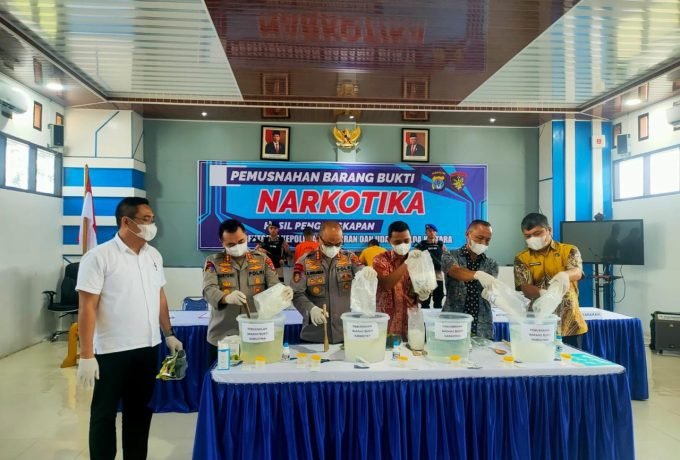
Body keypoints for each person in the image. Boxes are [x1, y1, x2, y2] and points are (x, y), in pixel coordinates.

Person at [76, 197, 183, 459]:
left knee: (140, 413)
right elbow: (87, 307)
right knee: (104, 414)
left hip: (147, 347)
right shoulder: (98, 257)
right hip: (112, 350)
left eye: (152, 219)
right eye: (146, 219)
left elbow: (159, 296)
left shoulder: (153, 255)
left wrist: (168, 334)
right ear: (126, 221)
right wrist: (86, 355)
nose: (152, 225)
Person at [203, 219, 291, 366]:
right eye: (231, 244)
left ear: (246, 236)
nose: (237, 247)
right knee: (220, 378)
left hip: (257, 334)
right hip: (223, 337)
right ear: (222, 243)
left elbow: (274, 286)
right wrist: (226, 298)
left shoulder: (262, 260)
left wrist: (284, 292)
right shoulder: (213, 262)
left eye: (241, 241)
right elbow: (208, 289)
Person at [514, 212, 588, 349]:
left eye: (537, 233)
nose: (533, 238)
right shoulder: (522, 258)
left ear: (549, 230)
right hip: (539, 324)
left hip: (569, 322)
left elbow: (577, 272)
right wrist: (543, 293)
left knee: (572, 360)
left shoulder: (569, 250)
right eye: (528, 236)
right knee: (539, 359)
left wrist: (565, 275)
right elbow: (524, 287)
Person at [291, 221, 372, 343]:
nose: (333, 248)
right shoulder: (304, 262)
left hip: (345, 334)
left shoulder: (350, 258)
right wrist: (311, 309)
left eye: (338, 244)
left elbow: (361, 271)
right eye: (328, 244)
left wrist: (366, 272)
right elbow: (296, 293)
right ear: (319, 239)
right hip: (315, 335)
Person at [374, 221, 431, 342]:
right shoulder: (380, 260)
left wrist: (424, 294)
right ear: (389, 240)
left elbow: (420, 292)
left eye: (406, 241)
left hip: (410, 326)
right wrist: (407, 263)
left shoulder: (419, 260)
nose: (403, 245)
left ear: (411, 239)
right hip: (387, 327)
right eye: (397, 242)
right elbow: (386, 284)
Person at [441, 220, 498, 338]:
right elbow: (455, 271)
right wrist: (478, 274)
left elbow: (490, 288)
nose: (483, 243)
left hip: (482, 325)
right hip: (453, 323)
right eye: (479, 238)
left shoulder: (491, 263)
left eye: (487, 240)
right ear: (468, 234)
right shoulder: (450, 255)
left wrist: (492, 292)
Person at [415, 223, 448, 308]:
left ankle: (437, 316)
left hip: (438, 275)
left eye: (433, 231)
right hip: (425, 276)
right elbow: (414, 258)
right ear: (426, 233)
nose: (431, 232)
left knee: (438, 300)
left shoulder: (441, 245)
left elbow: (447, 257)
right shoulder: (421, 245)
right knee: (425, 302)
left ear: (436, 233)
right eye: (429, 231)